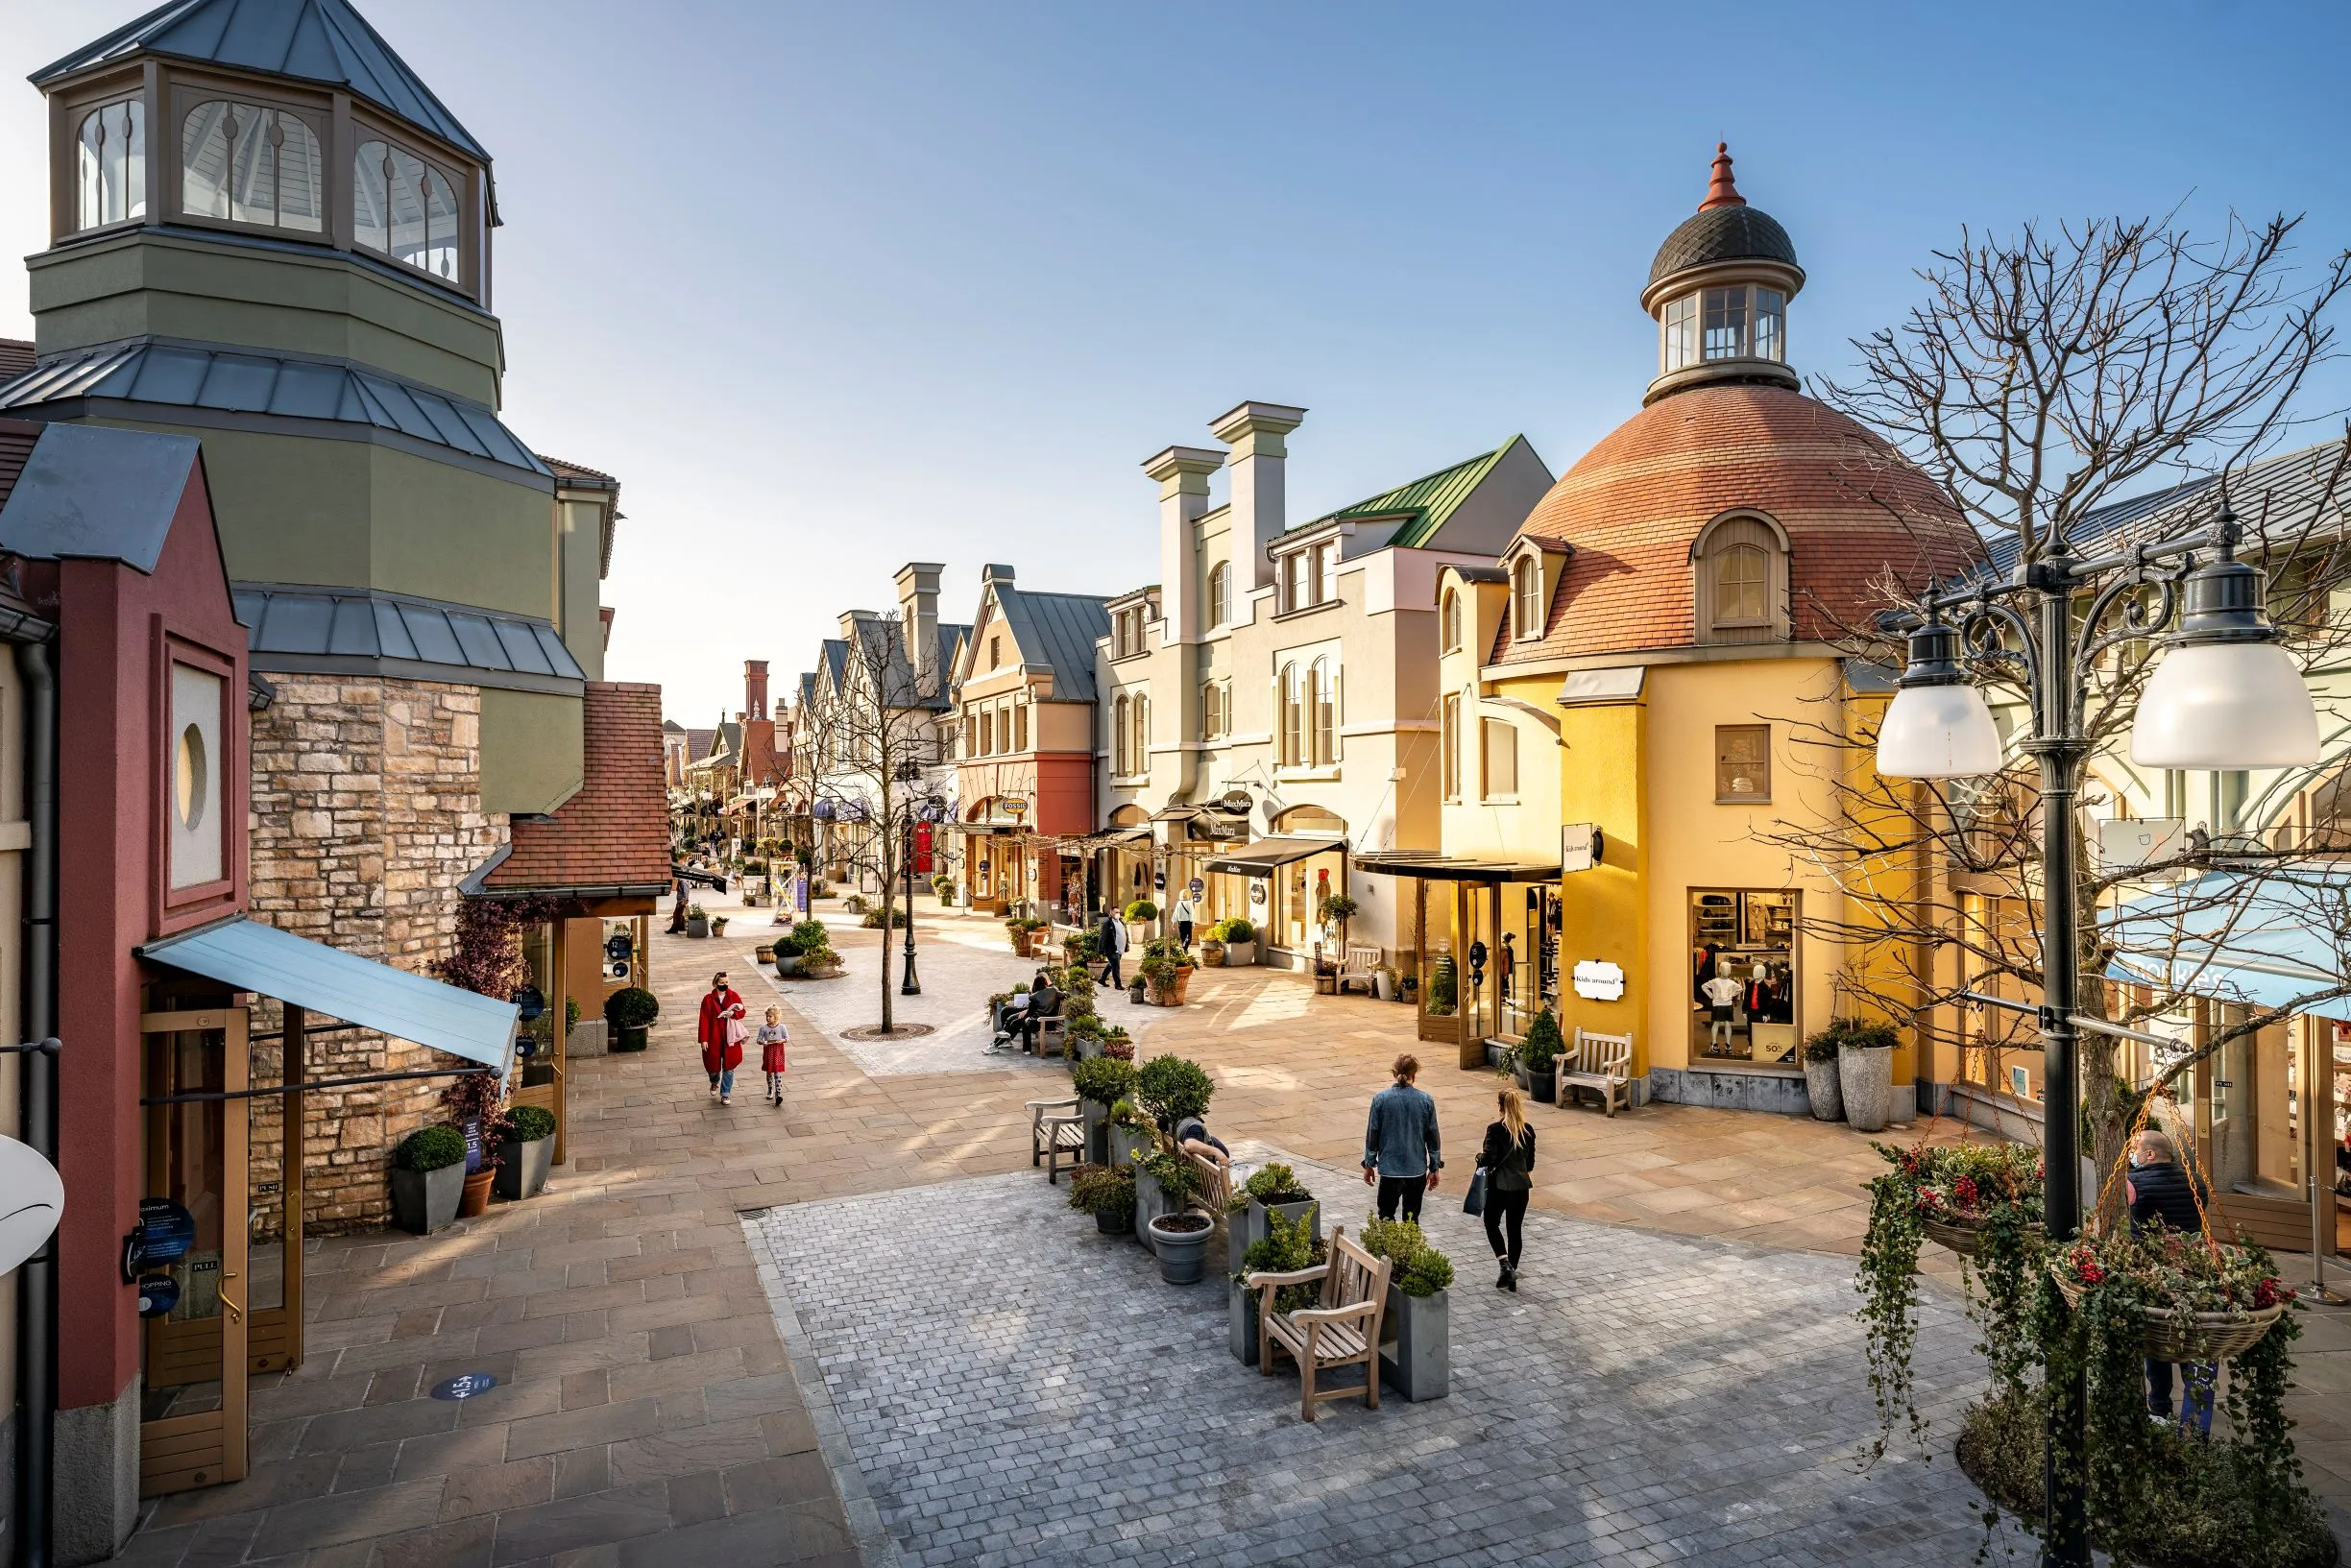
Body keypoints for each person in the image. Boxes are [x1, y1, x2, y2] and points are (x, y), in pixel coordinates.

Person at [2126, 1127, 2216, 1434]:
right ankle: (2194, 1408)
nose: (2132, 1157)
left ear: (2149, 1154)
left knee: (2156, 1339)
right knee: (2188, 1337)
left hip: (2152, 1270)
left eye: (2135, 1151)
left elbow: (2130, 1215)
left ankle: (2159, 1407)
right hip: (2192, 1269)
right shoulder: (2196, 1182)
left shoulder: (2135, 1182)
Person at [1361, 1053, 1442, 1221]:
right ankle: (1409, 1248)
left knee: (1385, 1218)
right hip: (1416, 1169)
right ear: (1414, 1075)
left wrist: (1369, 1164)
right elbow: (1433, 1137)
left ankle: (1386, 1249)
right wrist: (1434, 1168)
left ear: (1393, 1073)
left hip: (1390, 1170)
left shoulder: (1380, 1099)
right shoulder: (1425, 1100)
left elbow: (1373, 1134)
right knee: (1412, 1221)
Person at [1476, 1087, 1537, 1291]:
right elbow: (1529, 1165)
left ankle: (1505, 1265)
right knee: (1514, 1229)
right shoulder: (1528, 1131)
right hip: (1521, 1188)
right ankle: (1512, 1273)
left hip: (1499, 1187)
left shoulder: (1495, 1129)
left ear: (1500, 1106)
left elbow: (1489, 1159)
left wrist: (1480, 1158)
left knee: (1491, 1223)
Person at [696, 971, 747, 1106]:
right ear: (715, 983)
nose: (725, 985)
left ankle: (725, 1093)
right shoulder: (708, 999)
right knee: (713, 1068)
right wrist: (704, 1039)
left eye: (727, 982)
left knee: (729, 1066)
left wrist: (733, 1013)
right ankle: (714, 1082)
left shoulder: (733, 995)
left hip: (730, 1037)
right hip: (714, 1037)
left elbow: (742, 1012)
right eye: (722, 983)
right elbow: (704, 1020)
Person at [1018, 969, 1062, 1051]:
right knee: (1024, 1020)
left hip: (1040, 1023)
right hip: (1051, 1023)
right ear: (1046, 982)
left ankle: (1027, 1050)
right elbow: (1064, 994)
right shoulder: (1054, 990)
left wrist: (1025, 1013)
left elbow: (1030, 1012)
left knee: (1025, 1023)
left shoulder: (1034, 996)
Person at [756, 1006, 789, 1106]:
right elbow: (758, 1039)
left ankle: (778, 1094)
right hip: (768, 1053)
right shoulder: (763, 1028)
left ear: (776, 1017)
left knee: (778, 1073)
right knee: (769, 1072)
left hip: (778, 1053)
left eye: (770, 1016)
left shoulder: (782, 1027)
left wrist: (782, 1040)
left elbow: (787, 1037)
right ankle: (770, 1089)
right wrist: (762, 1042)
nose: (768, 1018)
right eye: (767, 1016)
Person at [1098, 906, 1128, 991]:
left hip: (1120, 948)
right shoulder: (1107, 923)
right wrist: (1101, 948)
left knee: (1112, 964)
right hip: (1111, 948)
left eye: (1118, 912)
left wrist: (1126, 945)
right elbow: (1103, 936)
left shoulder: (1120, 922)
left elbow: (1123, 934)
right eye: (1116, 912)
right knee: (1116, 966)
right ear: (1111, 912)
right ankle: (1118, 984)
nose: (1118, 914)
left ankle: (1102, 979)